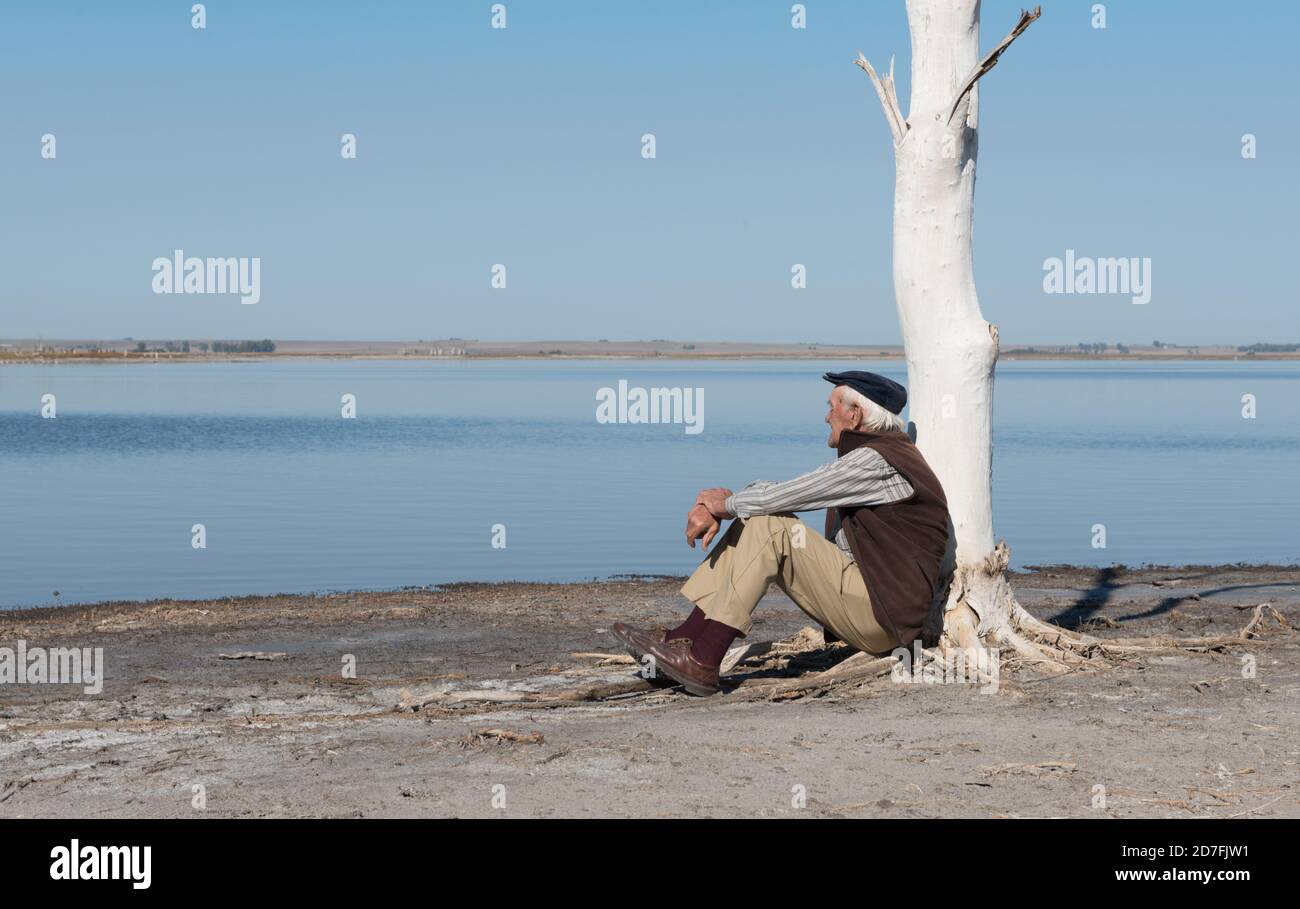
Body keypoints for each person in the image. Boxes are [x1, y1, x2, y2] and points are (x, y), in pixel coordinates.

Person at [612, 370, 951, 695]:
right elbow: (780, 494)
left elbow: (787, 495)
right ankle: (683, 642)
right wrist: (725, 504)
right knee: (760, 519)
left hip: (882, 617)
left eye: (830, 407)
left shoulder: (876, 462)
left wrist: (723, 506)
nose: (825, 417)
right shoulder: (879, 454)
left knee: (770, 524)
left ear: (854, 415)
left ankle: (702, 659)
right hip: (874, 603)